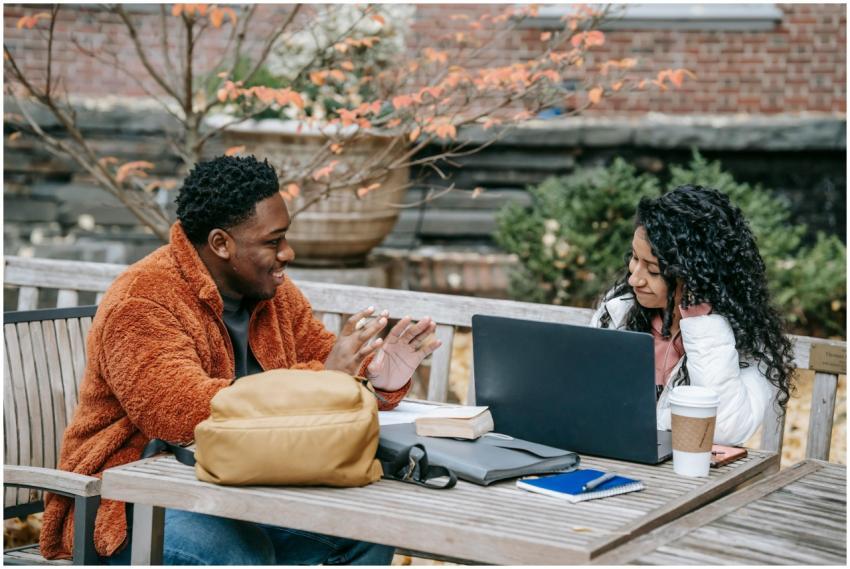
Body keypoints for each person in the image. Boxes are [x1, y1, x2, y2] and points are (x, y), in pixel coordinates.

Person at [40, 155, 441, 565]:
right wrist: (324, 377)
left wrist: (377, 381)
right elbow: (178, 411)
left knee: (366, 531)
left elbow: (330, 370)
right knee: (236, 554)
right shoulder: (142, 300)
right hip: (126, 504)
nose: (288, 252)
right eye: (273, 241)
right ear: (220, 244)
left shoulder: (272, 293)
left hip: (243, 488)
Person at [591, 184, 794, 445]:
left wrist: (702, 326)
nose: (634, 279)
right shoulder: (619, 310)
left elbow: (722, 429)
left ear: (694, 276)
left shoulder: (745, 338)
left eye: (653, 270)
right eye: (633, 258)